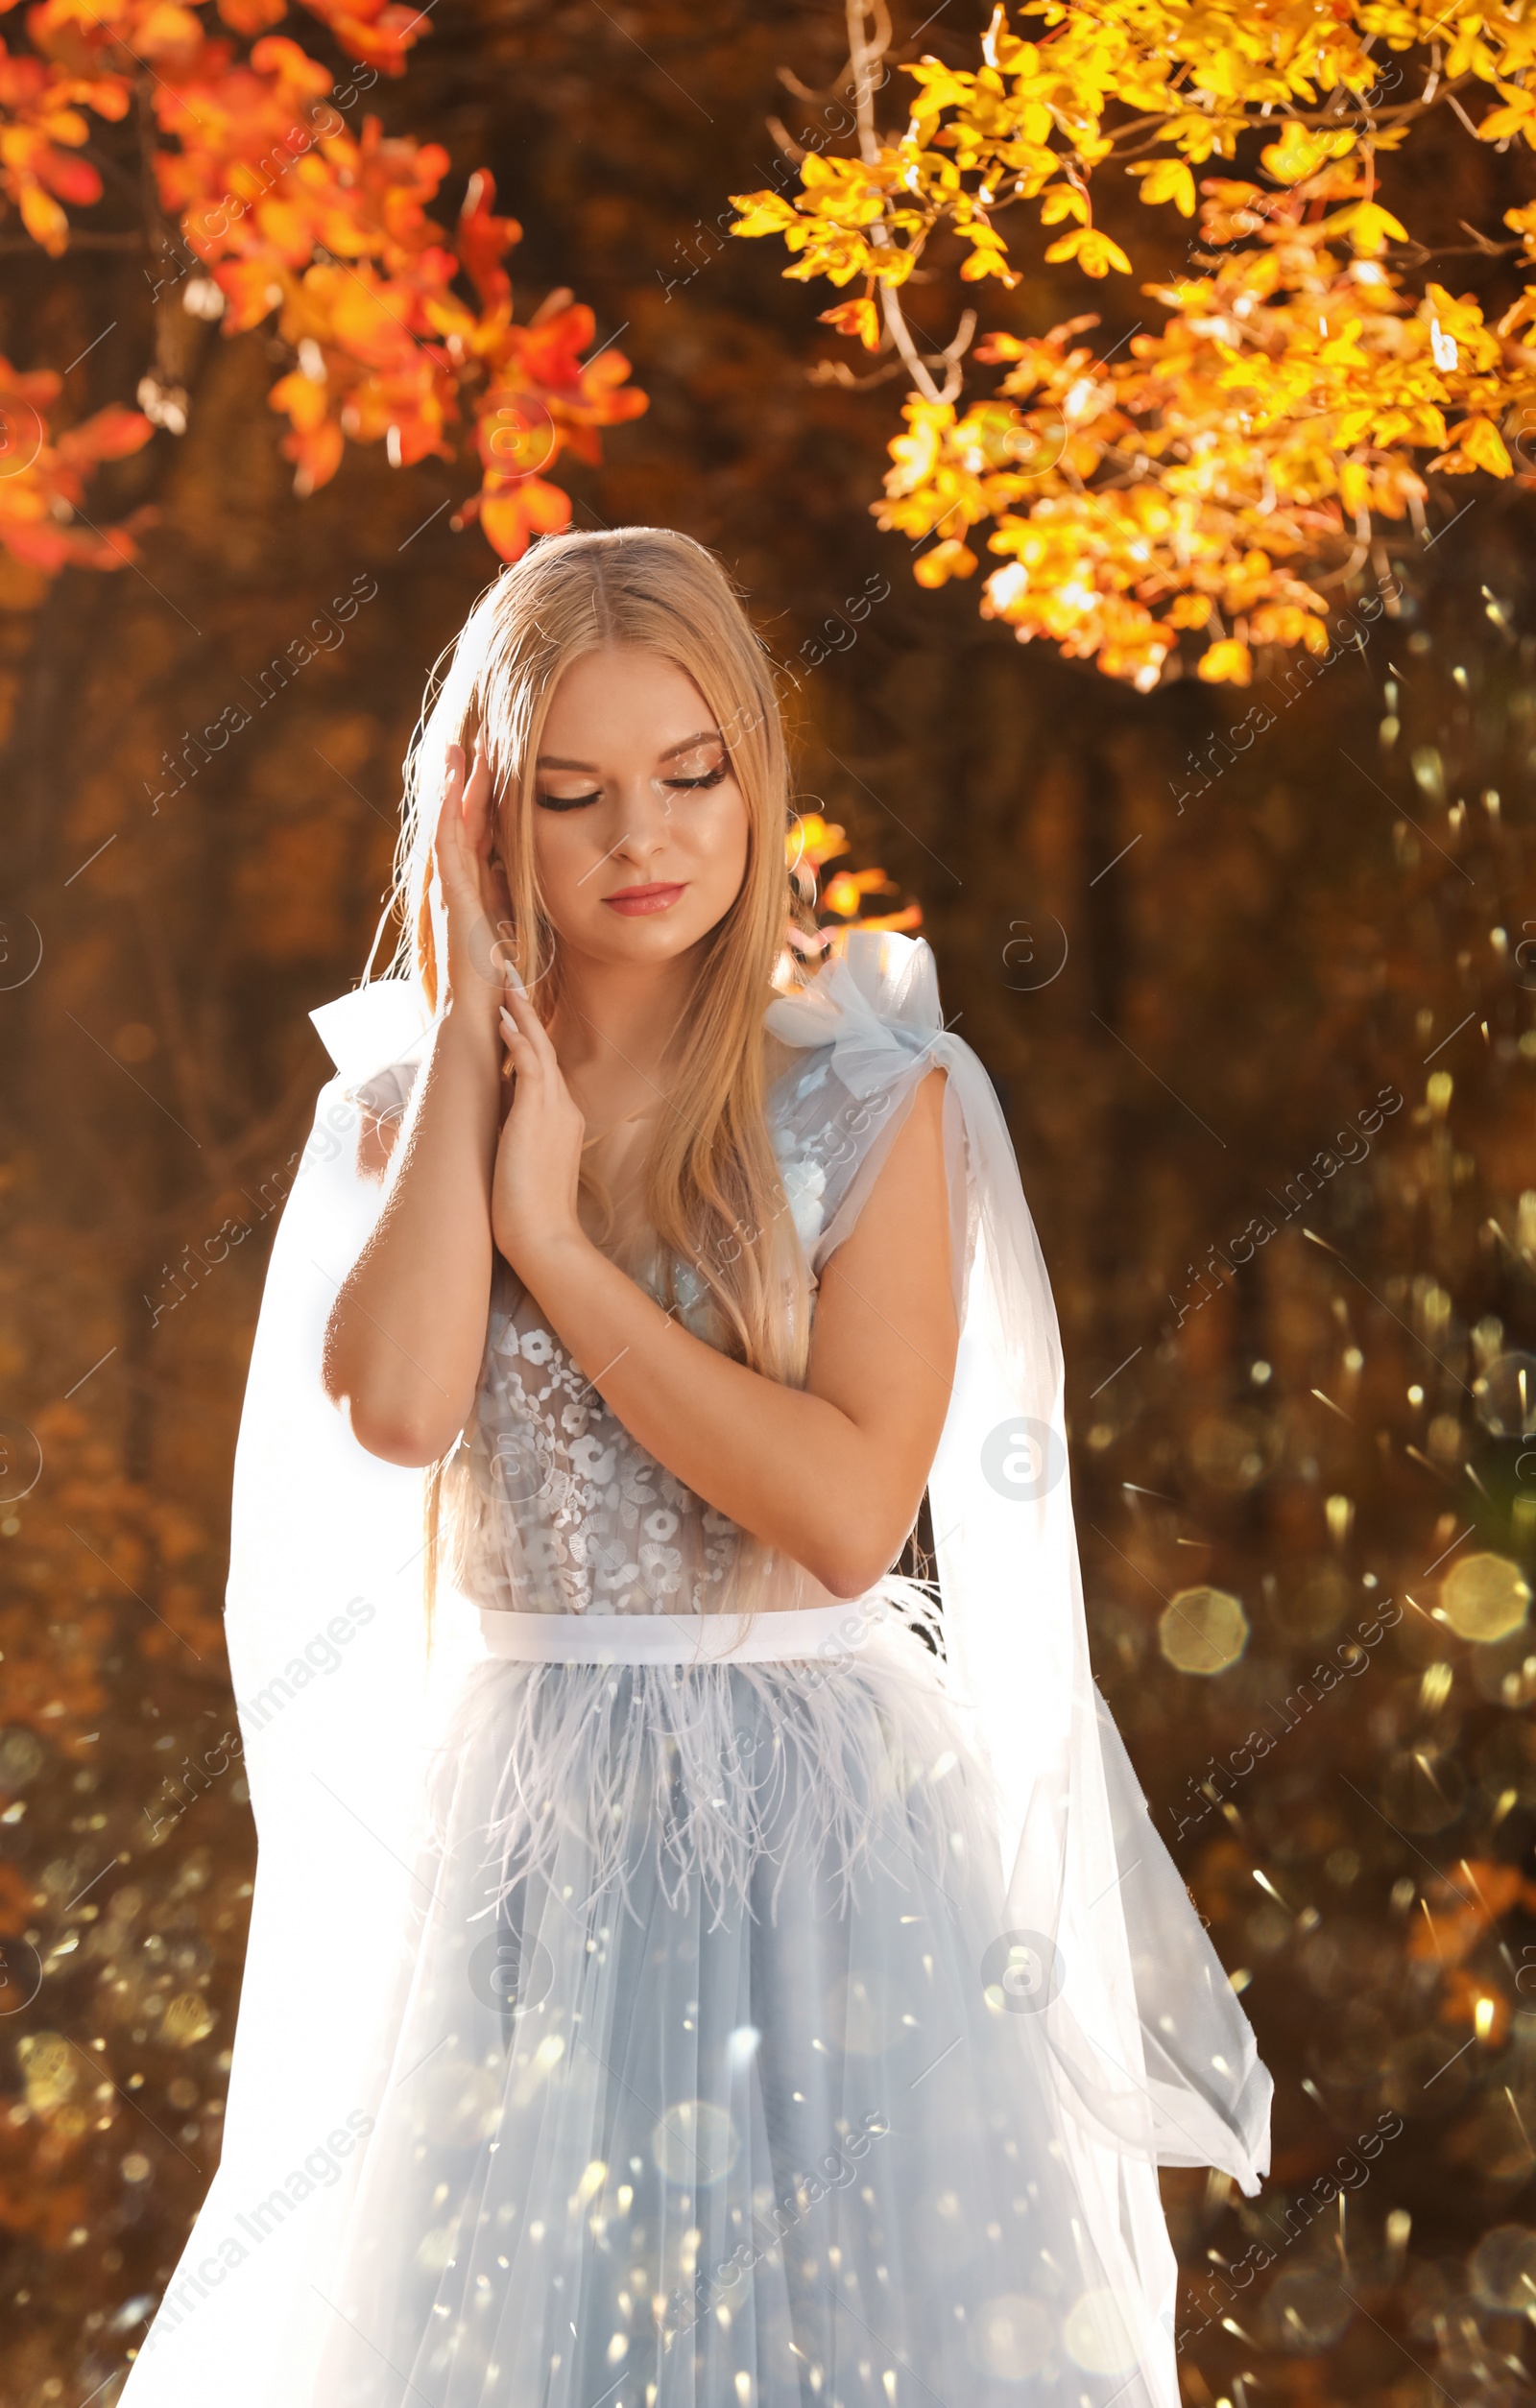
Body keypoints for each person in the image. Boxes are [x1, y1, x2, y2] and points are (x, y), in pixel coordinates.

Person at [119, 527, 1270, 2408]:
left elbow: (835, 1518)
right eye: (570, 795)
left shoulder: (870, 1091)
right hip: (526, 1820)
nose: (640, 836)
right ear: (492, 814)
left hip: (817, 1828)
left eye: (689, 774)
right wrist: (478, 1080)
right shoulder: (400, 1111)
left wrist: (557, 1244)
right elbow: (401, 1410)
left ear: (755, 773)